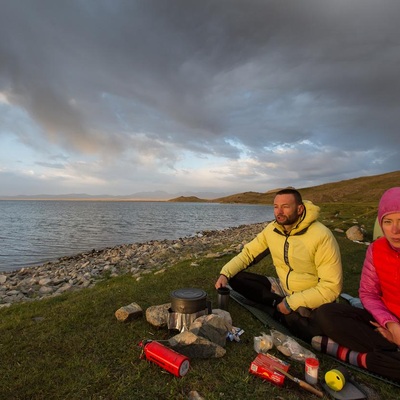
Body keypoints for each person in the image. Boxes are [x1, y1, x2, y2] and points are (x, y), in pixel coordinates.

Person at [215, 188, 343, 342]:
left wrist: (292, 302)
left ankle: (282, 312)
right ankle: (278, 305)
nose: (279, 212)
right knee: (235, 278)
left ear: (300, 209)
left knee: (314, 330)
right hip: (283, 288)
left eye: (285, 207)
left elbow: (331, 287)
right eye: (276, 206)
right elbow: (249, 253)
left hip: (310, 295)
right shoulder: (272, 230)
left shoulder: (321, 236)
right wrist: (225, 273)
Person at [313, 187, 400, 382]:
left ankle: (365, 357)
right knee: (326, 314)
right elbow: (367, 293)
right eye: (388, 222)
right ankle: (387, 351)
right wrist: (391, 325)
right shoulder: (377, 249)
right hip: (383, 320)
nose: (395, 230)